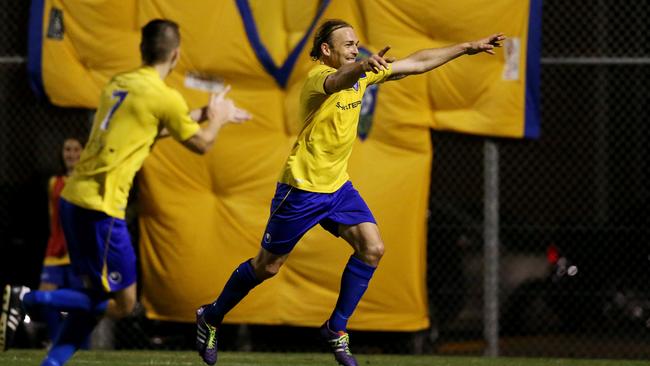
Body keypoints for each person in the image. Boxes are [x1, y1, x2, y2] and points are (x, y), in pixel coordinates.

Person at [195, 19, 504, 366]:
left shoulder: (363, 74)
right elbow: (338, 80)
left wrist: (466, 47)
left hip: (338, 188)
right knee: (267, 267)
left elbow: (417, 63)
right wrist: (360, 67)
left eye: (357, 45)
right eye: (348, 45)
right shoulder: (317, 78)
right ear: (326, 51)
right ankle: (211, 315)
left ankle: (335, 328)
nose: (356, 49)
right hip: (301, 190)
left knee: (373, 248)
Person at [0, 18, 250, 365]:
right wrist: (219, 117)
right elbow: (203, 144)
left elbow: (145, 132)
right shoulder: (164, 98)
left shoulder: (118, 83)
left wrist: (203, 112)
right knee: (123, 303)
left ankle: (51, 362)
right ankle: (27, 300)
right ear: (176, 54)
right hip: (101, 209)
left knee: (91, 298)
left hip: (72, 201)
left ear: (141, 49)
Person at [38, 137, 85, 346]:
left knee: (81, 305)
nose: (71, 154)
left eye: (76, 149)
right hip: (55, 251)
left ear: (83, 153)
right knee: (45, 298)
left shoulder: (88, 181)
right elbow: (52, 218)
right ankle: (57, 340)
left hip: (80, 253)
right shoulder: (53, 182)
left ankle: (82, 347)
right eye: (67, 149)